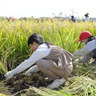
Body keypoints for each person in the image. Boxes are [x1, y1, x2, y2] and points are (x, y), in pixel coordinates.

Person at [4, 33, 73, 89]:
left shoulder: (40, 50)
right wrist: (32, 70)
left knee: (40, 63)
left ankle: (58, 79)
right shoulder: (46, 46)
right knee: (40, 63)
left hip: (65, 71)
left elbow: (27, 63)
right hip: (67, 68)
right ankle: (57, 76)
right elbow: (48, 62)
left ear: (34, 43)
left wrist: (13, 72)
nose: (31, 49)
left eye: (30, 46)